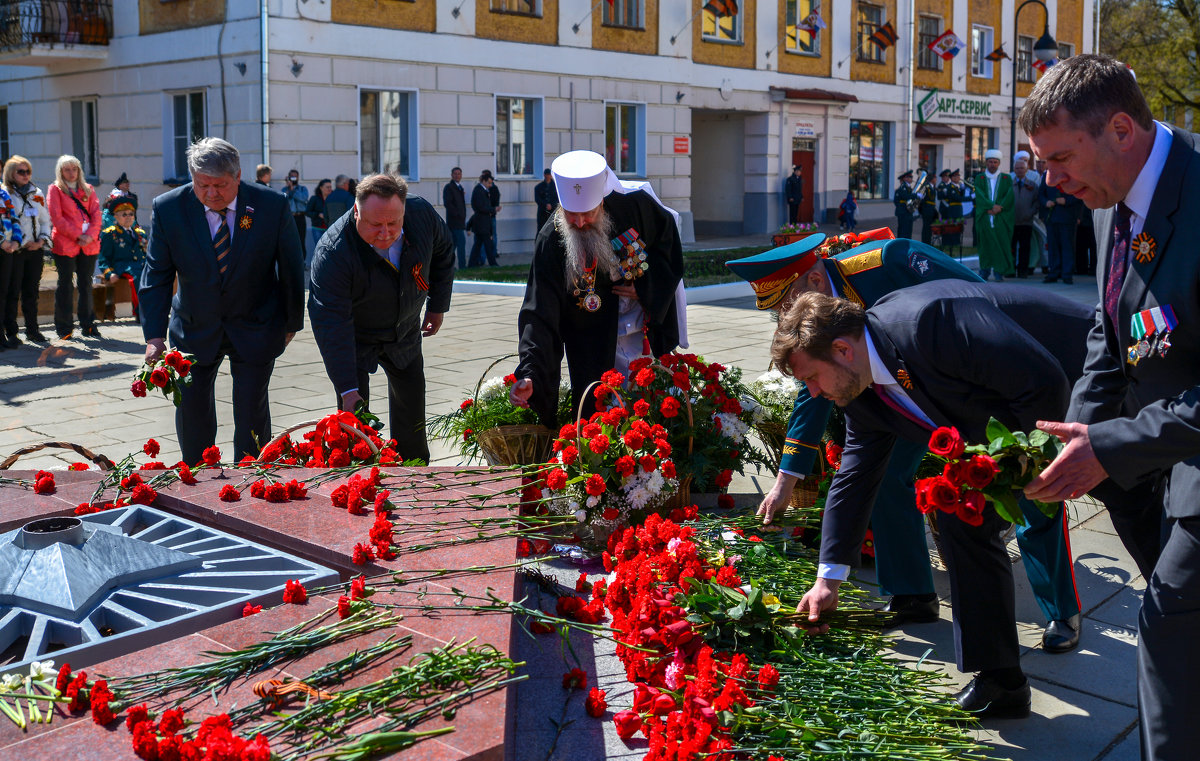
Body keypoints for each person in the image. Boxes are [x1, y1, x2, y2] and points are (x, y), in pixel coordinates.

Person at [726, 234, 1080, 641]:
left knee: (1030, 473)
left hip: (977, 383)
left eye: (784, 306)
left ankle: (1060, 608)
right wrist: (787, 478)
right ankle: (912, 592)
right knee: (886, 475)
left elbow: (975, 301)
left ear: (814, 281)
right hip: (895, 399)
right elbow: (815, 384)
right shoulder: (813, 326)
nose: (783, 320)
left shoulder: (889, 262)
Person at [780, 281, 1095, 718]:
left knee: (1142, 512)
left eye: (811, 377)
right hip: (1015, 414)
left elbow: (1041, 381)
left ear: (842, 349)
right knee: (958, 516)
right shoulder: (860, 390)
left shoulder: (927, 323)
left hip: (1091, 375)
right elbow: (853, 476)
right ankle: (1001, 678)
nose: (813, 392)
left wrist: (1021, 468)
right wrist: (826, 581)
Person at [1018, 53, 1197, 759]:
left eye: (1062, 158)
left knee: (1170, 621)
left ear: (1121, 128)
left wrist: (1113, 448)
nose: (1051, 181)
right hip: (1163, 455)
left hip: (1187, 455)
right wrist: (1078, 438)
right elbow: (1110, 331)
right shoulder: (1109, 199)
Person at [140, 137, 304, 465]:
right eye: (203, 185)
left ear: (238, 176)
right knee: (192, 410)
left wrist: (291, 322)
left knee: (252, 411)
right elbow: (156, 275)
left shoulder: (271, 205)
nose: (212, 193)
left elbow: (290, 267)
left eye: (221, 185)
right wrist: (154, 336)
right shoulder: (169, 208)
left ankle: (252, 477)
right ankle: (198, 477)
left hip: (256, 322)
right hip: (194, 326)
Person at [509, 150, 685, 429]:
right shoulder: (550, 240)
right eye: (571, 214)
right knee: (597, 419)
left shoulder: (634, 207)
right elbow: (538, 313)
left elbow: (668, 248)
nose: (578, 223)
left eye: (587, 213)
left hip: (641, 335)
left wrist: (646, 288)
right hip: (590, 342)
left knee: (653, 412)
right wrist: (531, 372)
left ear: (601, 202)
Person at [308, 174, 455, 462]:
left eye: (394, 223)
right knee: (355, 422)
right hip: (356, 338)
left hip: (405, 330)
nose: (386, 233)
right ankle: (360, 475)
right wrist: (347, 388)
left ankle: (413, 471)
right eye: (375, 224)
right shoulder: (333, 253)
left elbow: (443, 252)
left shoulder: (421, 214)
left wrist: (437, 306)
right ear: (356, 211)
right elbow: (331, 324)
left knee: (411, 411)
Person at [46, 154, 102, 340]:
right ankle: (64, 327)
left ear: (79, 171)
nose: (71, 173)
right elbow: (57, 219)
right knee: (65, 284)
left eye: (74, 169)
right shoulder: (55, 190)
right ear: (60, 172)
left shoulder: (88, 189)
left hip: (88, 244)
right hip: (66, 243)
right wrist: (78, 235)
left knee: (86, 283)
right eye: (67, 170)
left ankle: (88, 325)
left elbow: (96, 214)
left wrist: (90, 236)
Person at [1, 157, 50, 344]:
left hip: (35, 250)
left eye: (27, 171)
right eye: (20, 172)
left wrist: (41, 241)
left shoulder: (36, 192)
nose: (25, 175)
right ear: (10, 173)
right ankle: (11, 331)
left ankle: (32, 329)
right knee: (12, 292)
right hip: (15, 251)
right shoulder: (5, 193)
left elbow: (45, 220)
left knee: (32, 291)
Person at [97, 195, 147, 322]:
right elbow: (103, 258)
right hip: (123, 267)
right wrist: (109, 273)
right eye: (124, 214)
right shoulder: (110, 234)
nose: (128, 217)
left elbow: (146, 253)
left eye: (131, 214)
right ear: (116, 216)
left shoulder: (140, 233)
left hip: (140, 265)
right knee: (136, 278)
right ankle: (141, 312)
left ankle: (156, 311)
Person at [973, 148, 1015, 281]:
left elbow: (1009, 196)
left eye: (995, 162)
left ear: (999, 163)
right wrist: (991, 207)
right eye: (990, 162)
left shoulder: (1006, 178)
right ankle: (984, 270)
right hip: (985, 216)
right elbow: (979, 195)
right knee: (985, 244)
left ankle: (999, 271)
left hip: (1000, 217)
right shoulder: (979, 178)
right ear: (986, 163)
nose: (992, 164)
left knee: (1001, 243)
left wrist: (999, 208)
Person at [1037, 176, 1082, 284]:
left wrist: (1066, 200)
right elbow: (1041, 194)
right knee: (1053, 247)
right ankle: (1053, 273)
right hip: (1051, 217)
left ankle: (1067, 274)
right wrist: (1045, 202)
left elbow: (1079, 195)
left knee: (1067, 246)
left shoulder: (1072, 174)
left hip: (1067, 217)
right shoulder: (1047, 175)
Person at [0, 184, 22, 350]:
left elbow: (13, 218)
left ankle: (2, 335)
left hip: (7, 249)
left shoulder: (4, 194)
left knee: (3, 293)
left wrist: (16, 240)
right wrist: (2, 241)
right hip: (2, 244)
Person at [1010, 157, 1040, 277]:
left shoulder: (1032, 185)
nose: (1020, 170)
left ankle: (1023, 270)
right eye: (1017, 168)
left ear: (1026, 169)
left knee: (1025, 248)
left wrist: (1030, 212)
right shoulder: (1009, 184)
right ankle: (1010, 270)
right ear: (1014, 170)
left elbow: (1037, 202)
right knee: (1011, 248)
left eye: (1022, 168)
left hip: (1026, 222)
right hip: (1011, 222)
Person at [468, 170, 498, 267]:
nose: (490, 185)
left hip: (483, 223)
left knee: (478, 245)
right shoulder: (478, 190)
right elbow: (480, 207)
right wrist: (493, 209)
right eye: (489, 183)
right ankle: (493, 263)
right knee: (487, 245)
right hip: (481, 223)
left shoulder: (483, 191)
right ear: (484, 181)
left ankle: (472, 264)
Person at [442, 167, 467, 270]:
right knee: (461, 243)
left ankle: (446, 266)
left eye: (459, 174)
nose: (457, 175)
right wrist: (458, 215)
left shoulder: (459, 187)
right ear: (451, 175)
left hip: (460, 221)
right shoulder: (449, 187)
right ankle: (462, 266)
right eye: (455, 174)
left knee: (453, 245)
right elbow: (448, 203)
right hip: (454, 221)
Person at [282, 170, 309, 254]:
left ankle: (302, 263)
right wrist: (289, 189)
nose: (293, 178)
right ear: (288, 177)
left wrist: (293, 190)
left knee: (301, 240)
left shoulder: (302, 189)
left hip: (300, 217)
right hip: (290, 217)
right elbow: (283, 202)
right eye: (291, 176)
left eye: (295, 176)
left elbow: (303, 198)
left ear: (298, 177)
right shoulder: (284, 189)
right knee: (290, 240)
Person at [307, 178, 332, 251]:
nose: (330, 189)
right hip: (317, 228)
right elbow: (307, 212)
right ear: (321, 188)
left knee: (330, 250)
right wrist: (318, 214)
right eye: (327, 187)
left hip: (330, 228)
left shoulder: (333, 198)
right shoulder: (314, 198)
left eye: (330, 187)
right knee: (319, 249)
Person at [892, 170, 916, 240]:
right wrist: (915, 195)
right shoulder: (903, 187)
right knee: (903, 230)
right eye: (910, 177)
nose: (911, 179)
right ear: (905, 178)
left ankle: (907, 245)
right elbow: (905, 196)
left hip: (908, 211)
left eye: (911, 177)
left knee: (908, 230)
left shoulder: (908, 188)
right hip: (903, 211)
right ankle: (901, 245)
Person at [534, 168, 558, 234]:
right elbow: (537, 199)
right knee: (541, 229)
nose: (547, 176)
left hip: (552, 212)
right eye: (546, 174)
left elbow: (557, 199)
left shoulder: (556, 187)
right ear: (544, 175)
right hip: (542, 212)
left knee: (553, 230)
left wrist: (552, 205)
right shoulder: (538, 187)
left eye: (549, 174)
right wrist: (545, 205)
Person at [917, 175, 938, 246]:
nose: (936, 179)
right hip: (926, 209)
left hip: (931, 209)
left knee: (929, 227)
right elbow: (920, 197)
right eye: (935, 178)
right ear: (932, 179)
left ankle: (928, 242)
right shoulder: (926, 187)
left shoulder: (932, 187)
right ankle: (925, 242)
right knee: (926, 227)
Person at [488, 171, 502, 255]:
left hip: (491, 214)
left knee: (493, 234)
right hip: (487, 214)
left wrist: (492, 210)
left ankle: (493, 252)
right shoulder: (482, 188)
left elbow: (496, 200)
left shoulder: (493, 189)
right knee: (489, 234)